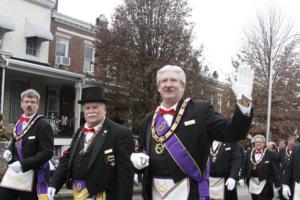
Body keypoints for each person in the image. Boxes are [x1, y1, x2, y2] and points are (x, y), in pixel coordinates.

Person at [130, 64, 254, 200]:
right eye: (163, 81)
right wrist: (137, 162)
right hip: (155, 192)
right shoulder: (148, 119)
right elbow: (144, 154)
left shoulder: (200, 111)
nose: (168, 84)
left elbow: (232, 133)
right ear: (158, 87)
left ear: (183, 86)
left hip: (189, 192)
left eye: (173, 80)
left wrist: (244, 101)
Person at [47, 86, 134, 200]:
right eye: (87, 108)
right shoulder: (80, 130)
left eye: (95, 107)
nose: (91, 111)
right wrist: (54, 184)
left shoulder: (120, 133)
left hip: (104, 195)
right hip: (78, 193)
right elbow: (68, 159)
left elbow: (125, 175)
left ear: (104, 109)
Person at [0, 89, 54, 200]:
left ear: (38, 105)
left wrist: (23, 164)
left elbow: (47, 153)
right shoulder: (18, 121)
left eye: (33, 102)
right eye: (26, 101)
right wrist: (9, 150)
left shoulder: (43, 124)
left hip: (33, 174)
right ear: (21, 104)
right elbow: (16, 139)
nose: (29, 104)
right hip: (14, 173)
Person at [241, 135, 281, 200]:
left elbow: (275, 169)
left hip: (265, 182)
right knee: (255, 198)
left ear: (264, 143)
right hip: (252, 181)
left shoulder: (270, 154)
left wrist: (278, 183)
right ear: (254, 143)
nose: (258, 143)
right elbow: (244, 166)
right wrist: (241, 177)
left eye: (260, 142)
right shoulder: (249, 152)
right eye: (256, 142)